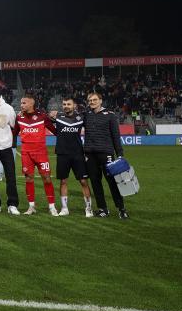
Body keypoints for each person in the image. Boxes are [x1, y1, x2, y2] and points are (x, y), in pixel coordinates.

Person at [83, 91, 128, 219]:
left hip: (106, 153)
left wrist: (120, 154)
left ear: (100, 101)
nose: (92, 102)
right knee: (96, 183)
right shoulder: (86, 115)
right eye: (90, 100)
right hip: (90, 155)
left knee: (112, 182)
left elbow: (116, 136)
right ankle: (103, 209)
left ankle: (121, 209)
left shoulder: (110, 115)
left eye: (94, 100)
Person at [48, 98, 93, 217]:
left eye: (69, 104)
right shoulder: (57, 117)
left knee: (83, 181)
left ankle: (88, 208)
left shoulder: (82, 117)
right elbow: (41, 117)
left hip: (78, 154)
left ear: (74, 105)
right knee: (63, 181)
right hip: (62, 154)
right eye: (64, 104)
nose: (66, 106)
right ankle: (64, 208)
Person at [14, 94, 58, 216]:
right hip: (26, 153)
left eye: (24, 103)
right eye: (21, 103)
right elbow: (14, 133)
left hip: (41, 153)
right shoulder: (19, 118)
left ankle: (52, 206)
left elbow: (55, 131)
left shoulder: (42, 116)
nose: (21, 105)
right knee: (28, 178)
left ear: (31, 104)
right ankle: (31, 207)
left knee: (47, 179)